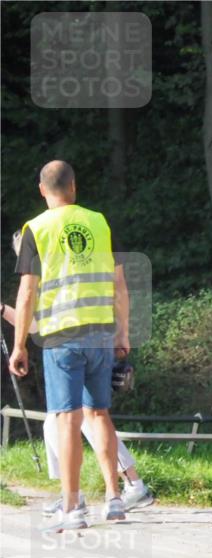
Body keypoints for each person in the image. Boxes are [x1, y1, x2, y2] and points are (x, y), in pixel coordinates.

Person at [8, 160, 131, 531]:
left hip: (63, 336)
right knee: (99, 414)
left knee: (67, 418)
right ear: (74, 186)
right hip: (101, 334)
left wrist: (19, 346)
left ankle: (73, 508)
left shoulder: (36, 228)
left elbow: (28, 291)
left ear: (42, 191)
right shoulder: (99, 222)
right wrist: (123, 334)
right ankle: (114, 500)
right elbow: (119, 285)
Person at [1, 299, 154, 513]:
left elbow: (35, 324)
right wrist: (3, 310)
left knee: (88, 419)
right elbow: (35, 325)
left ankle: (131, 485)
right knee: (58, 424)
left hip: (80, 348)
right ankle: (75, 492)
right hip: (80, 346)